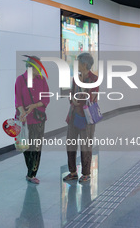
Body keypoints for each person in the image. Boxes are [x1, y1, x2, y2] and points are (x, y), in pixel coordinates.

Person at [63, 53, 99, 183]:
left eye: (78, 62)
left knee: (86, 146)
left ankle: (86, 173)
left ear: (84, 64)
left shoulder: (94, 79)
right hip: (73, 115)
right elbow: (71, 94)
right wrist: (72, 99)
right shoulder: (75, 78)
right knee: (70, 145)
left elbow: (92, 98)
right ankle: (72, 172)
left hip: (87, 118)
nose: (76, 65)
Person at [15, 56, 50, 184]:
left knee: (36, 147)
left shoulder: (42, 80)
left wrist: (34, 106)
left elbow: (46, 99)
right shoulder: (20, 80)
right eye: (38, 66)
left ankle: (31, 174)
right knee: (25, 147)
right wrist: (22, 112)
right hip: (23, 119)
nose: (40, 69)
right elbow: (17, 99)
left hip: (38, 118)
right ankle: (30, 171)